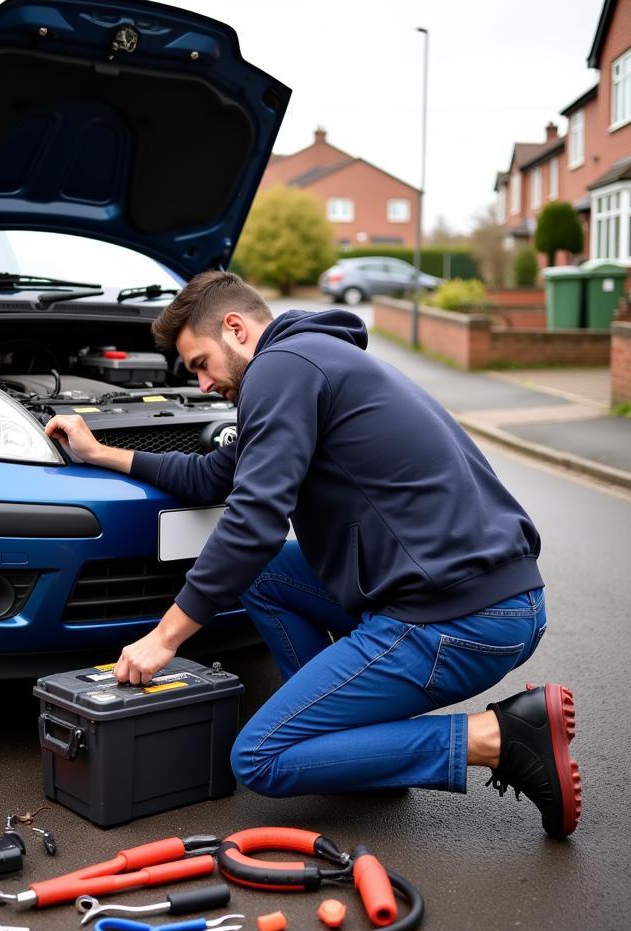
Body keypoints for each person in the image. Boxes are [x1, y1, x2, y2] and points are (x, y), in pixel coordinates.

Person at [44, 271, 581, 839]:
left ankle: (497, 739)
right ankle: (358, 745)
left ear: (236, 328)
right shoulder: (310, 361)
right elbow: (214, 478)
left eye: (201, 363)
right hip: (483, 595)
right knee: (268, 576)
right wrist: (100, 452)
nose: (201, 384)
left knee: (260, 757)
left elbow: (254, 521)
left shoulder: (281, 369)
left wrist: (164, 638)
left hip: (455, 616)